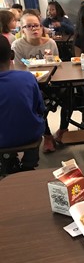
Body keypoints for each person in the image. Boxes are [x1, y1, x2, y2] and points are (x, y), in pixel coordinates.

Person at [11, 13, 64, 153]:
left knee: (68, 93)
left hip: (51, 81)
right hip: (30, 83)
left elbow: (56, 65)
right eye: (28, 26)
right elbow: (19, 70)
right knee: (36, 100)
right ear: (22, 30)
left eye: (36, 25)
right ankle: (47, 135)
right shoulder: (17, 45)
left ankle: (63, 130)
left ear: (41, 27)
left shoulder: (50, 43)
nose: (34, 29)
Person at [0, 34, 44, 173]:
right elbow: (40, 107)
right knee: (35, 122)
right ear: (12, 55)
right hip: (28, 135)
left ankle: (7, 162)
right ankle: (29, 164)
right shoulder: (27, 77)